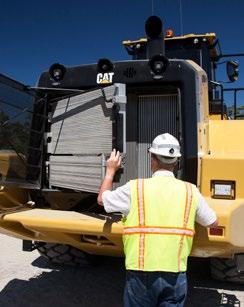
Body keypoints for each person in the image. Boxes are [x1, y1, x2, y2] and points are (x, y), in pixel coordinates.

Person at [97, 133, 218, 307]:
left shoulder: (135, 188)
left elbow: (102, 200)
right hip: (175, 274)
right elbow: (212, 222)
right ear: (176, 161)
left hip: (140, 272)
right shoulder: (191, 192)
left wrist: (110, 171)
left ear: (152, 159)